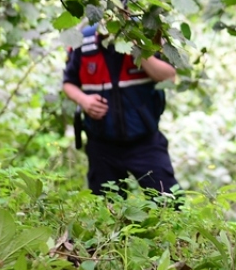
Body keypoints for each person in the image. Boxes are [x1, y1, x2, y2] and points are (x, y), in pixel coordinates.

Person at [62, 22, 179, 196]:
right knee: (105, 210)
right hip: (101, 143)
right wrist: (84, 100)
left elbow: (169, 77)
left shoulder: (144, 37)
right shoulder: (83, 40)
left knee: (169, 203)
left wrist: (137, 47)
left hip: (146, 142)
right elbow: (68, 83)